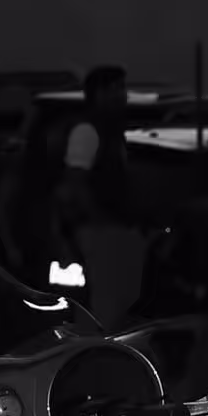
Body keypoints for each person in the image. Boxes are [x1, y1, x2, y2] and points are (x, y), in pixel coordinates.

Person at [56, 63, 145, 330]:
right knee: (106, 302)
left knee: (123, 298)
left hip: (118, 228)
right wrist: (99, 220)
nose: (123, 95)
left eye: (123, 88)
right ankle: (97, 346)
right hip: (101, 231)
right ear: (99, 93)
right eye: (116, 89)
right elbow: (75, 182)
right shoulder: (87, 131)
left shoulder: (112, 131)